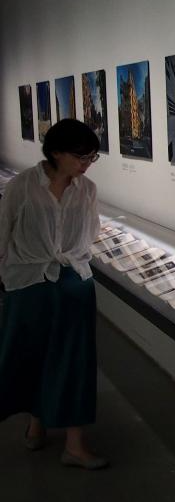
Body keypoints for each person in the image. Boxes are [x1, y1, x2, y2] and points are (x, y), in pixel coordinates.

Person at [0, 118, 107, 469]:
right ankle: (37, 421)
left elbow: (90, 232)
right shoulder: (23, 186)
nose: (87, 164)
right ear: (57, 153)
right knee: (32, 355)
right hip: (29, 281)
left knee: (75, 360)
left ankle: (74, 444)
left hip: (73, 280)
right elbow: (4, 230)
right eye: (81, 156)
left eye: (92, 157)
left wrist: (71, 259)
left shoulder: (86, 189)